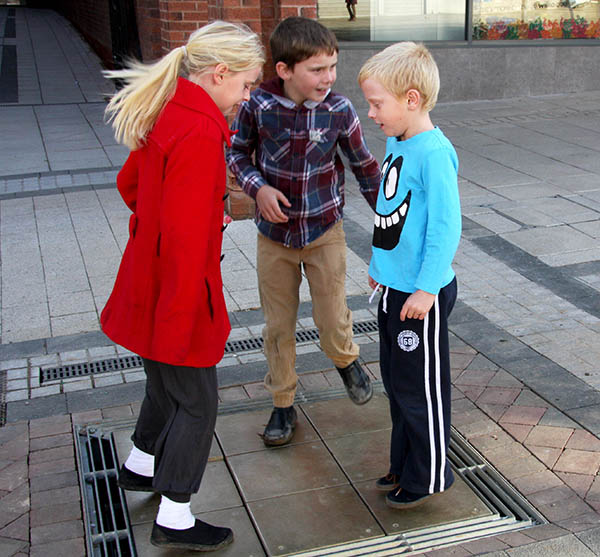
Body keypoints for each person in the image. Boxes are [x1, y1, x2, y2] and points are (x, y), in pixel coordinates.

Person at [100, 21, 264, 551]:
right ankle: (174, 516)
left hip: (148, 281)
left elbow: (131, 185)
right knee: (197, 402)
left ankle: (140, 464)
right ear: (219, 74)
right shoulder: (199, 130)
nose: (246, 98)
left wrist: (159, 219)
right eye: (244, 85)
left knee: (164, 384)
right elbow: (189, 241)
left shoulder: (166, 110)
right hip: (179, 292)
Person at [227, 16, 381, 447]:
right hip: (273, 239)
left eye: (332, 66)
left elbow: (364, 167)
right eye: (317, 69)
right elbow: (237, 154)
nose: (328, 77)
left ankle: (346, 360)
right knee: (279, 326)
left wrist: (390, 223)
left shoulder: (340, 109)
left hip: (324, 232)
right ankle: (282, 403)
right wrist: (258, 189)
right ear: (285, 70)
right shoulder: (258, 105)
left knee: (332, 316)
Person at [358, 42, 461, 509]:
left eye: (378, 104)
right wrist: (381, 270)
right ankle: (404, 463)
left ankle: (429, 473)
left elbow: (444, 227)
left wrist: (426, 288)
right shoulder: (399, 141)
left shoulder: (434, 153)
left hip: (422, 295)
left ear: (412, 99)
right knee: (399, 386)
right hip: (395, 290)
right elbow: (392, 216)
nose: (372, 114)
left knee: (422, 389)